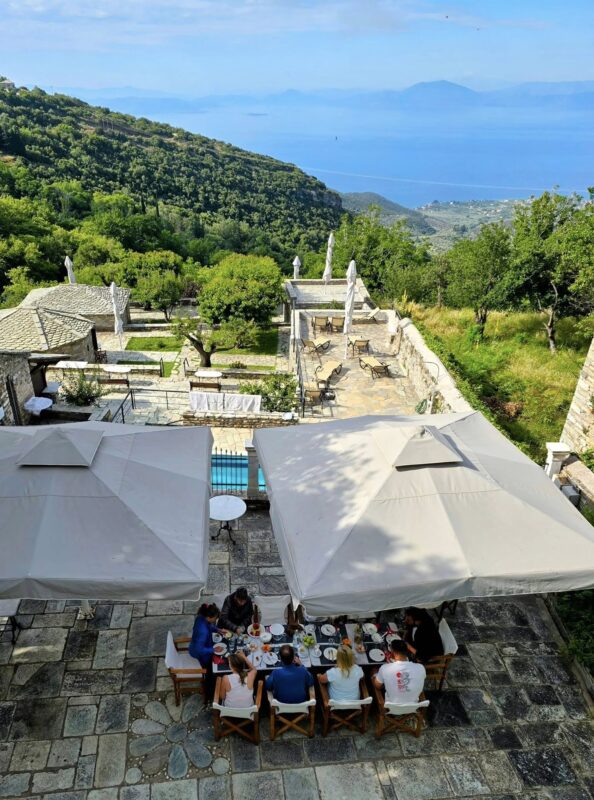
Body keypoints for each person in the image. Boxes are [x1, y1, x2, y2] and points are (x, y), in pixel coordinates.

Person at [189, 602, 223, 703]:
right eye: (215, 618)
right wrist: (213, 650)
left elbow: (209, 625)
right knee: (211, 673)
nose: (216, 620)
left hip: (198, 644)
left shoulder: (200, 617)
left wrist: (218, 630)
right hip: (200, 655)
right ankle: (209, 693)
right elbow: (199, 650)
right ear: (209, 617)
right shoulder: (203, 632)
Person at [373, 639, 426, 704]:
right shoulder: (421, 668)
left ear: (392, 652)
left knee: (374, 671)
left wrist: (376, 675)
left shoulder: (385, 668)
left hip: (392, 706)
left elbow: (377, 686)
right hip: (413, 706)